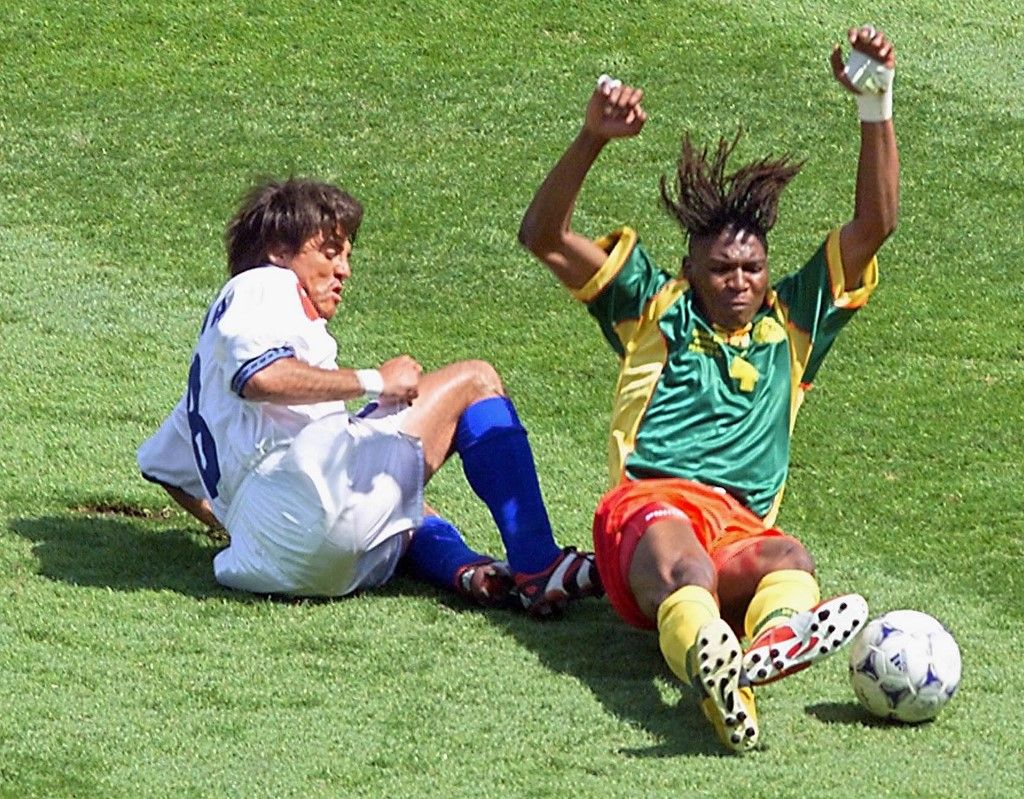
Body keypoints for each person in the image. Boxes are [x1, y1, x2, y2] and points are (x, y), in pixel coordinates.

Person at [518, 25, 898, 750]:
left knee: (788, 558)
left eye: (752, 269)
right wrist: (591, 139)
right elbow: (542, 233)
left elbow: (876, 224)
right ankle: (721, 654)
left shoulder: (794, 325)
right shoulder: (654, 308)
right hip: (648, 511)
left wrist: (875, 104)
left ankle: (759, 651)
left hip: (738, 524)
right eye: (722, 269)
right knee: (687, 563)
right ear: (691, 268)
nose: (740, 281)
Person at [137, 177, 602, 617]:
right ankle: (539, 563)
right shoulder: (262, 283)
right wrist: (374, 381)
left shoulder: (203, 390)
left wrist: (251, 527)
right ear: (278, 251)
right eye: (330, 251)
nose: (344, 270)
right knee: (474, 381)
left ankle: (466, 569)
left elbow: (160, 467)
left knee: (395, 496)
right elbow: (259, 377)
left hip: (273, 564)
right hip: (303, 507)